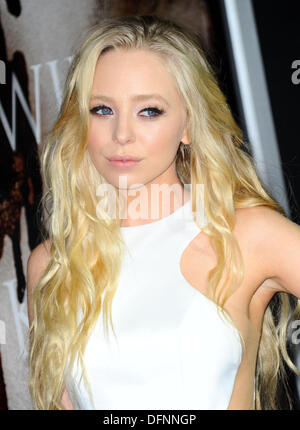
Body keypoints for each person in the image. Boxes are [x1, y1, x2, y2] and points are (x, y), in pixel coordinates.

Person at [26, 15, 300, 410]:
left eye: (149, 111)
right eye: (102, 110)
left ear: (188, 123)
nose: (122, 135)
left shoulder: (246, 235)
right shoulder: (52, 266)